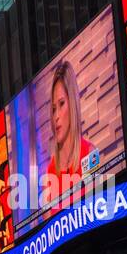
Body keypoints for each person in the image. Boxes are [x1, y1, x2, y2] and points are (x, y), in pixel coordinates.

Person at [42, 60, 93, 200]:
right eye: (53, 110)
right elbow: (48, 222)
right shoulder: (49, 174)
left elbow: (99, 208)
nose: (56, 116)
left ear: (72, 104)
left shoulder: (89, 154)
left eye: (62, 104)